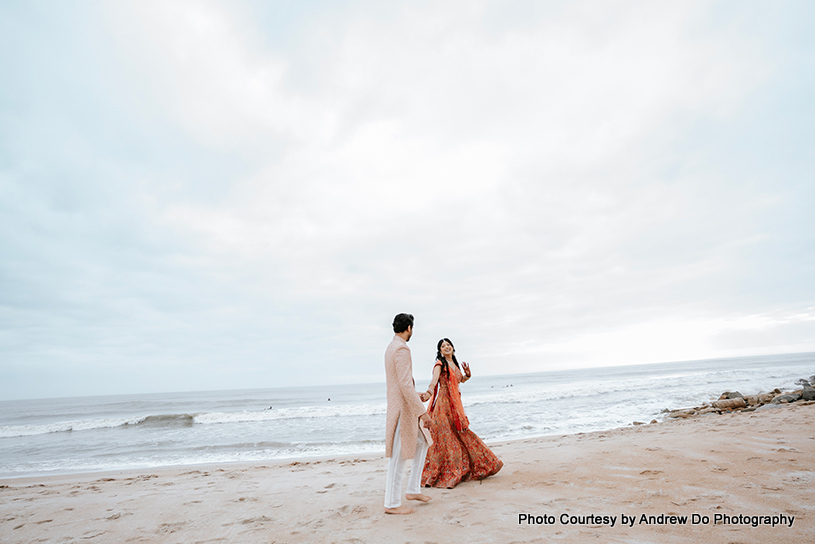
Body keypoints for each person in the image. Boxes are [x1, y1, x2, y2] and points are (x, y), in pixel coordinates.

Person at [421, 338, 502, 488]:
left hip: (455, 409)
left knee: (462, 436)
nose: (446, 347)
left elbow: (459, 380)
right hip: (443, 408)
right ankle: (450, 475)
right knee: (447, 441)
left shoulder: (455, 365)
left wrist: (467, 376)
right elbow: (433, 381)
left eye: (448, 345)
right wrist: (428, 392)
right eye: (443, 346)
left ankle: (463, 470)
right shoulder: (440, 365)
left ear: (453, 348)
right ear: (440, 351)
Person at [383, 313, 433, 514]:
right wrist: (423, 413)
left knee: (423, 442)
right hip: (402, 410)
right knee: (398, 457)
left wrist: (416, 395)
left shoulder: (391, 347)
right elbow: (404, 383)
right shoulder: (402, 349)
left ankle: (413, 489)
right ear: (409, 328)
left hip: (405, 404)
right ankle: (392, 504)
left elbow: (401, 383)